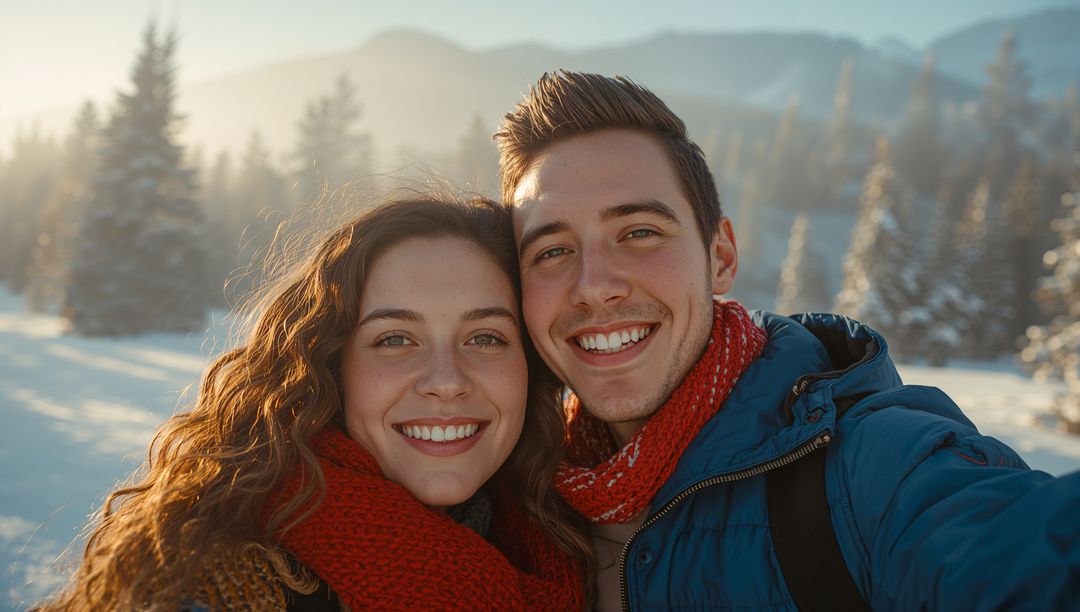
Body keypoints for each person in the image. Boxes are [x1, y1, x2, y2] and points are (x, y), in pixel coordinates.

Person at [495, 71, 1080, 610]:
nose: (594, 288)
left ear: (720, 257)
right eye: (552, 251)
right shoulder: (513, 494)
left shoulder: (867, 470)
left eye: (639, 232)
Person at [38, 196, 590, 610]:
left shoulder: (563, 549)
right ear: (329, 367)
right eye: (394, 339)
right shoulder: (221, 583)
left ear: (530, 368)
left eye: (486, 337)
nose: (446, 381)